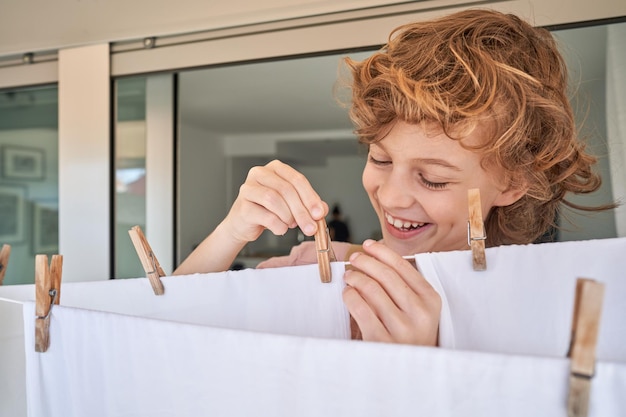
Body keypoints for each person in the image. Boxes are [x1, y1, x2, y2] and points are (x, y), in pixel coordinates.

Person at [174, 9, 614, 346]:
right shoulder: (316, 271)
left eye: (433, 179)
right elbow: (160, 333)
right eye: (380, 159)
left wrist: (419, 373)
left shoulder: (549, 312)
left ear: (514, 182)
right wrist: (229, 233)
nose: (392, 196)